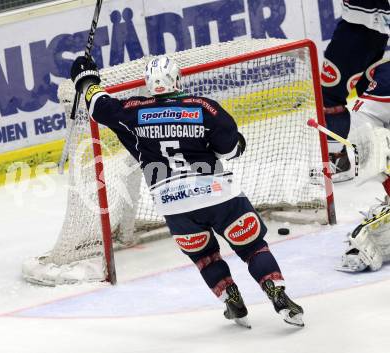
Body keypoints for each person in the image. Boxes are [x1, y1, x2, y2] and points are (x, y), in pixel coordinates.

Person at [70, 55, 304, 327]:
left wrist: (86, 79)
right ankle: (277, 292)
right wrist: (236, 143)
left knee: (205, 256)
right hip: (219, 195)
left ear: (148, 84)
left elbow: (99, 106)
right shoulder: (204, 107)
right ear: (177, 80)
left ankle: (231, 298)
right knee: (253, 247)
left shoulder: (131, 111)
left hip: (173, 204)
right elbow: (230, 149)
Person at [320, 0, 389, 182]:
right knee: (365, 90)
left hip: (360, 27)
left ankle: (337, 161)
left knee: (330, 96)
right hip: (369, 24)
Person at [339, 60, 390, 272]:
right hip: (376, 126)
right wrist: (379, 157)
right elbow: (364, 117)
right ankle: (370, 242)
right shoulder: (387, 81)